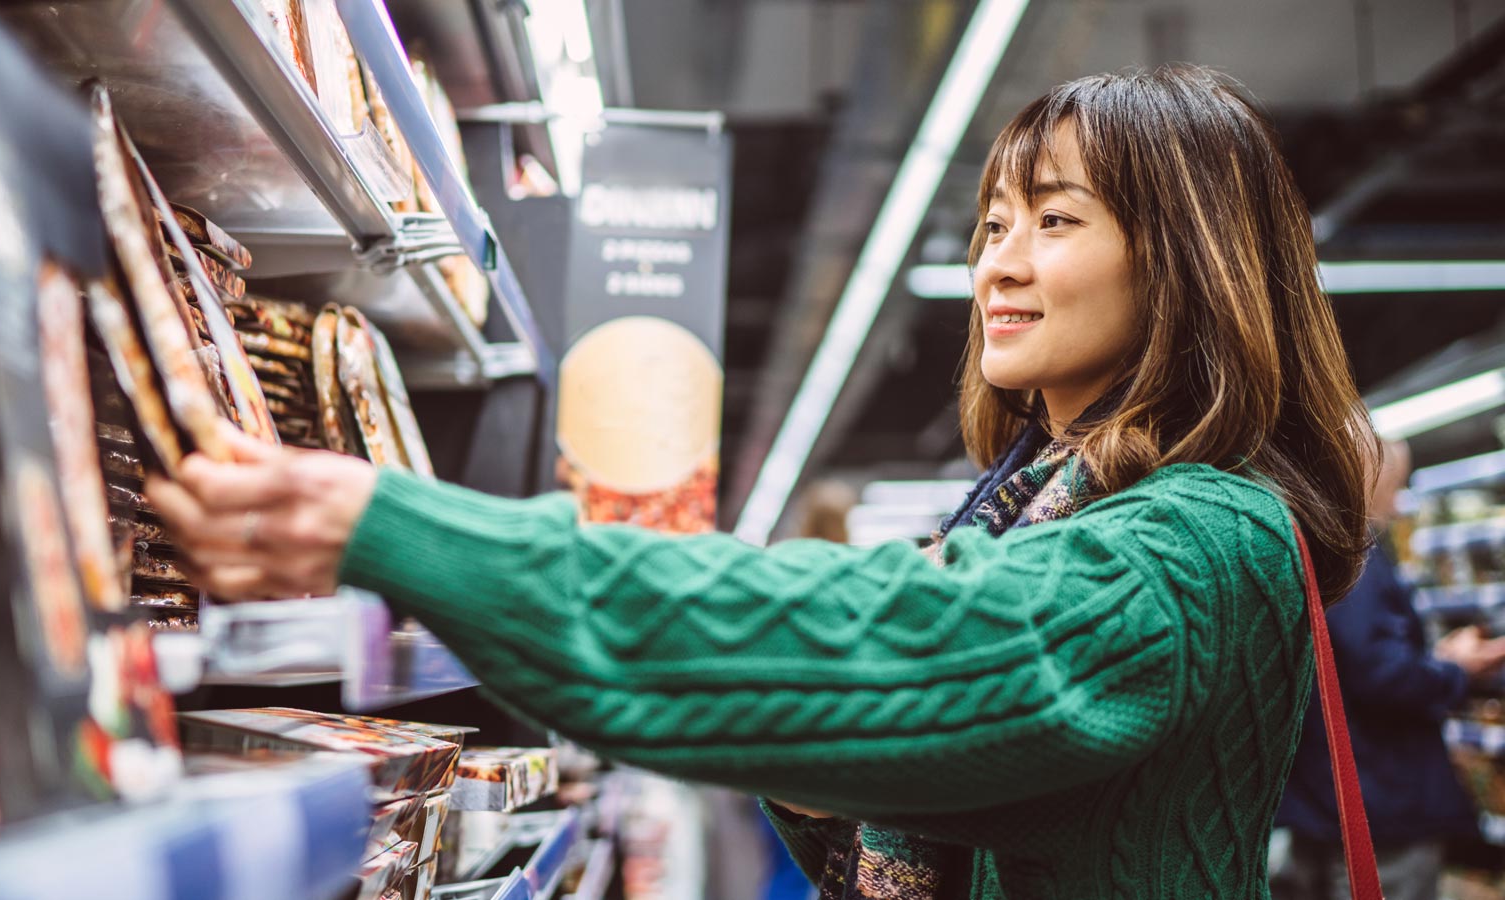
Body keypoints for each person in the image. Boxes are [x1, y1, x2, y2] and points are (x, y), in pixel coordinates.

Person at [147, 65, 1374, 898]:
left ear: (1189, 262)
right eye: (992, 223)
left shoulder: (1200, 542)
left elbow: (888, 654)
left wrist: (400, 525)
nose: (999, 261)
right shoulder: (1027, 507)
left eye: (1055, 220)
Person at [1272, 439, 1505, 900]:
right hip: (1380, 807)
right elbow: (1383, 675)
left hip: (1327, 804)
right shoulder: (1350, 553)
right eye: (1392, 488)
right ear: (1365, 479)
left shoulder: (1304, 546)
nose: (1397, 506)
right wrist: (1454, 670)